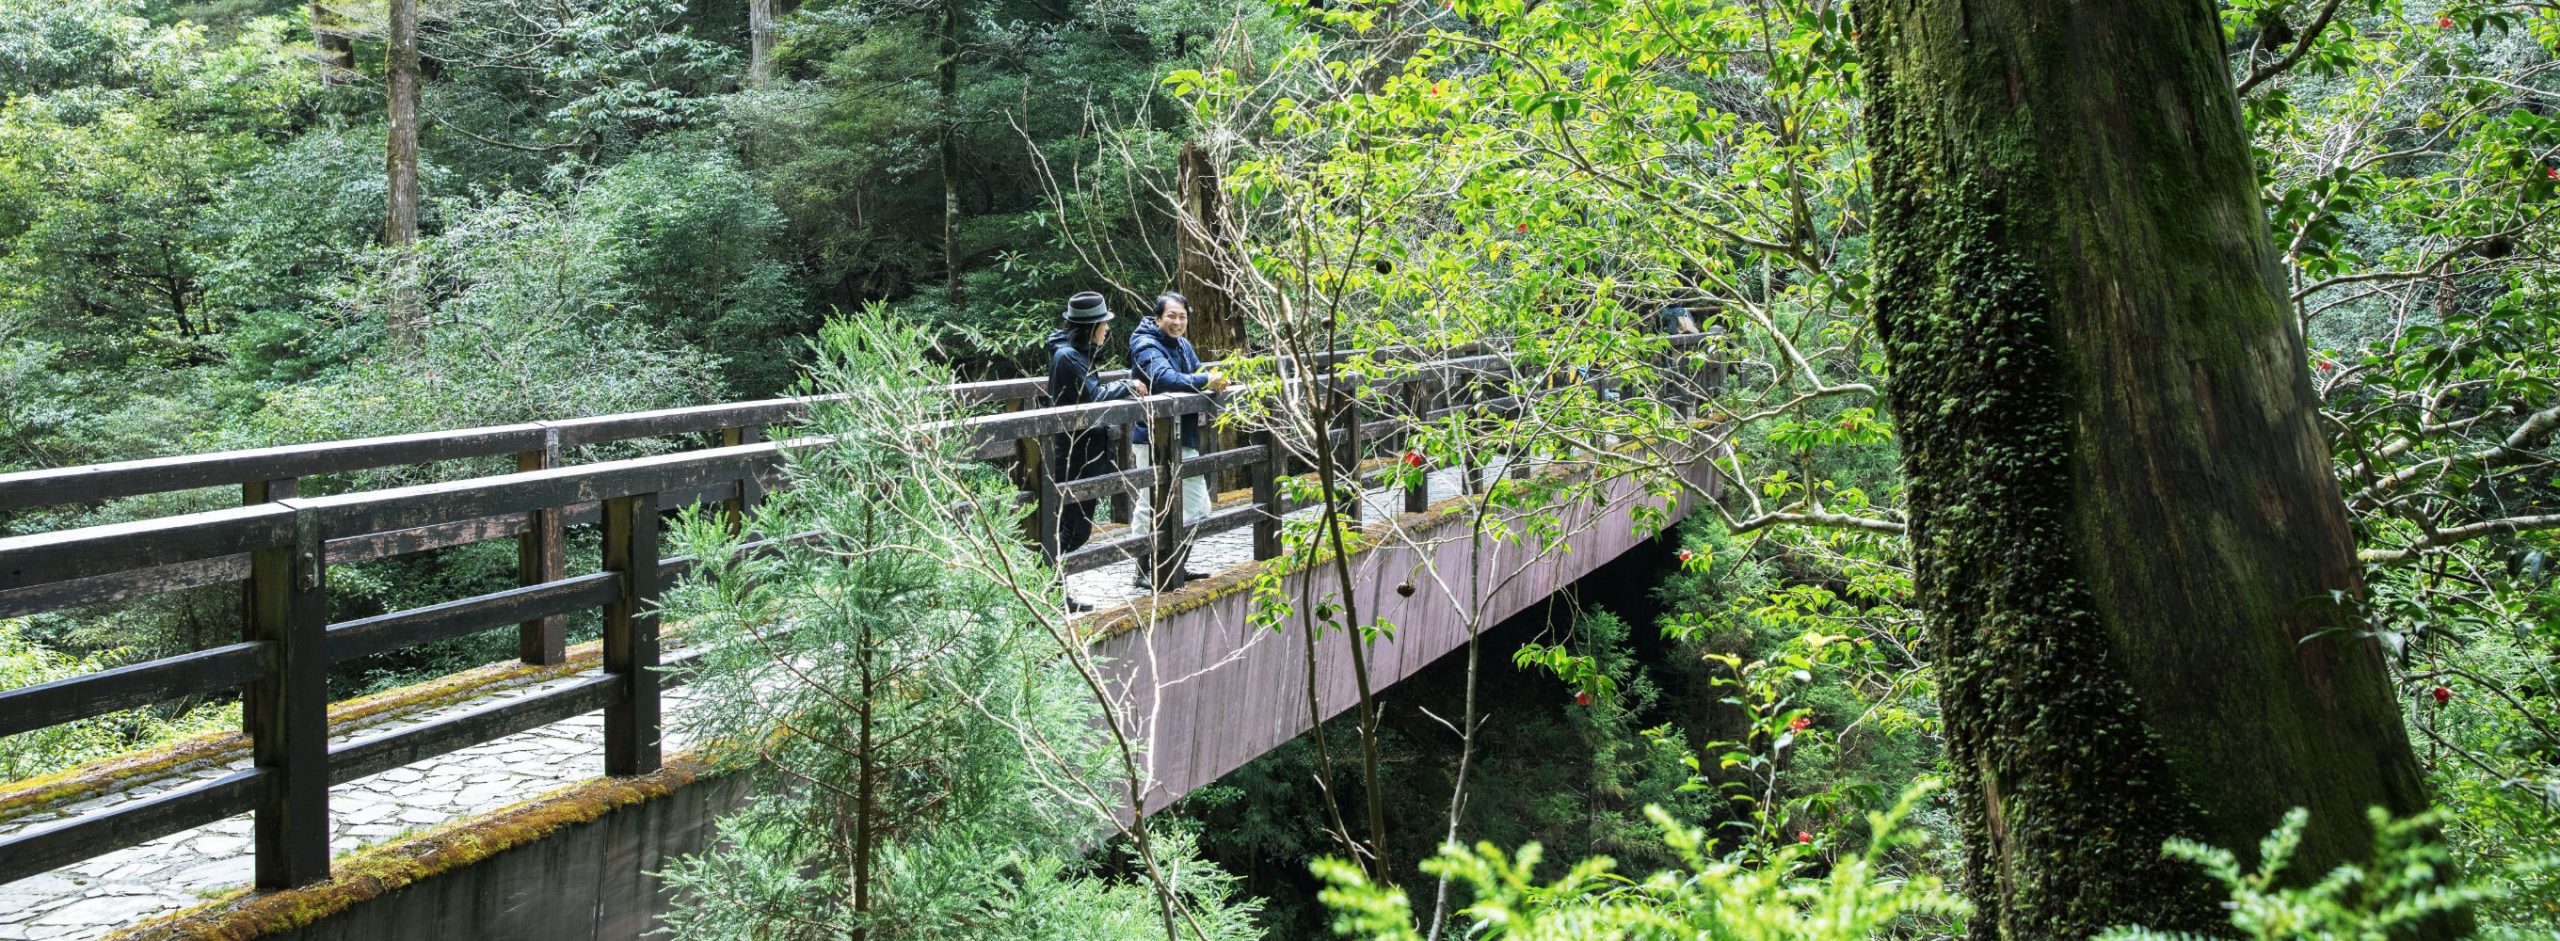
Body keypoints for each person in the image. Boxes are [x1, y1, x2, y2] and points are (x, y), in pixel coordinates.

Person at [1044, 291, 1148, 611]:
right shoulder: (1069, 357)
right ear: (1091, 327)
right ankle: (1045, 593)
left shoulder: (1076, 353)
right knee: (1070, 531)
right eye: (1104, 324)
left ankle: (1049, 594)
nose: (1107, 330)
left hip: (1084, 453)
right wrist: (1128, 386)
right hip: (1075, 456)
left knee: (1072, 530)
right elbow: (1094, 398)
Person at [1127, 292, 1230, 587]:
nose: (1177, 322)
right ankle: (1145, 571)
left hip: (1180, 436)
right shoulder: (1145, 344)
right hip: (1151, 437)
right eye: (1171, 316)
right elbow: (1165, 378)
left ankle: (1171, 566)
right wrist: (1204, 380)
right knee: (1150, 505)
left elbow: (1195, 371)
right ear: (1158, 318)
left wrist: (1214, 377)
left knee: (1196, 506)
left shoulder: (1182, 344)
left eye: (1183, 316)